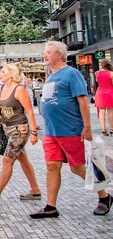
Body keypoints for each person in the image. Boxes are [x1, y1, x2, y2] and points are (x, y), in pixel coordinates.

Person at [30, 41, 111, 218]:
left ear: (59, 55)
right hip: (52, 131)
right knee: (52, 166)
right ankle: (50, 206)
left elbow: (83, 101)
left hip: (70, 129)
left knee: (77, 167)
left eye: (48, 52)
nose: (45, 55)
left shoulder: (71, 74)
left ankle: (104, 196)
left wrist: (87, 128)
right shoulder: (51, 76)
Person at [0, 64, 41, 206]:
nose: (0, 74)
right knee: (23, 160)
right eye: (0, 72)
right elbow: (2, 108)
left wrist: (34, 133)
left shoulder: (19, 89)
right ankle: (35, 190)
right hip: (7, 129)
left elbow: (30, 111)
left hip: (19, 130)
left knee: (7, 160)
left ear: (12, 74)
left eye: (3, 72)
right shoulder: (2, 88)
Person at [94, 59, 113, 136]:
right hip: (109, 93)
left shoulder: (97, 73)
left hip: (100, 93)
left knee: (101, 111)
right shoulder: (111, 73)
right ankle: (112, 129)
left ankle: (103, 129)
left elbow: (97, 81)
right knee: (110, 111)